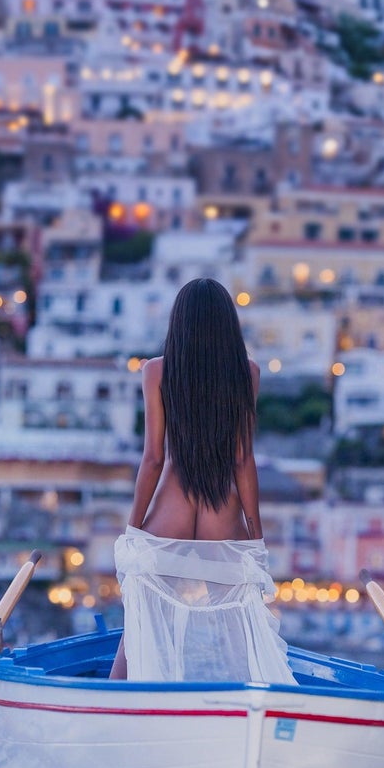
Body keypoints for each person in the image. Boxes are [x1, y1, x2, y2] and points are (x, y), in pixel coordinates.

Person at [108, 278, 295, 685]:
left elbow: (154, 457)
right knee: (239, 625)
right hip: (221, 504)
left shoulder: (156, 371)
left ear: (180, 322)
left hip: (174, 499)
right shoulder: (247, 372)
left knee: (139, 615)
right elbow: (243, 458)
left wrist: (134, 528)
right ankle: (252, 707)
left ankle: (113, 704)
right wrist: (254, 538)